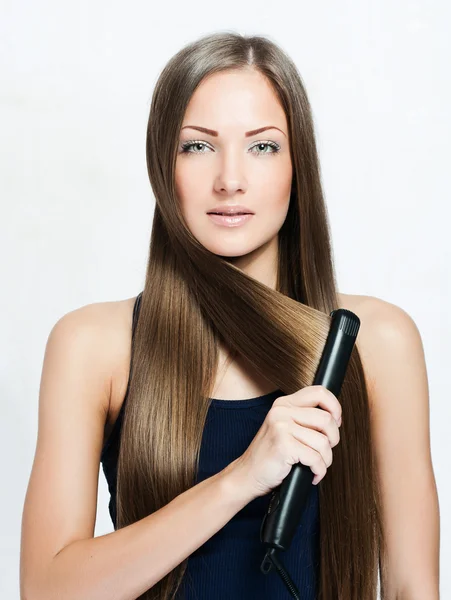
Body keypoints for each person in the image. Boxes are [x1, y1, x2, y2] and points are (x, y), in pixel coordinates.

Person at [20, 31, 439, 600]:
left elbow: (413, 586)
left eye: (262, 146)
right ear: (160, 163)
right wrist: (241, 478)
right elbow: (47, 589)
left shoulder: (378, 343)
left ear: (298, 165)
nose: (230, 179)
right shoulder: (95, 345)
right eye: (197, 146)